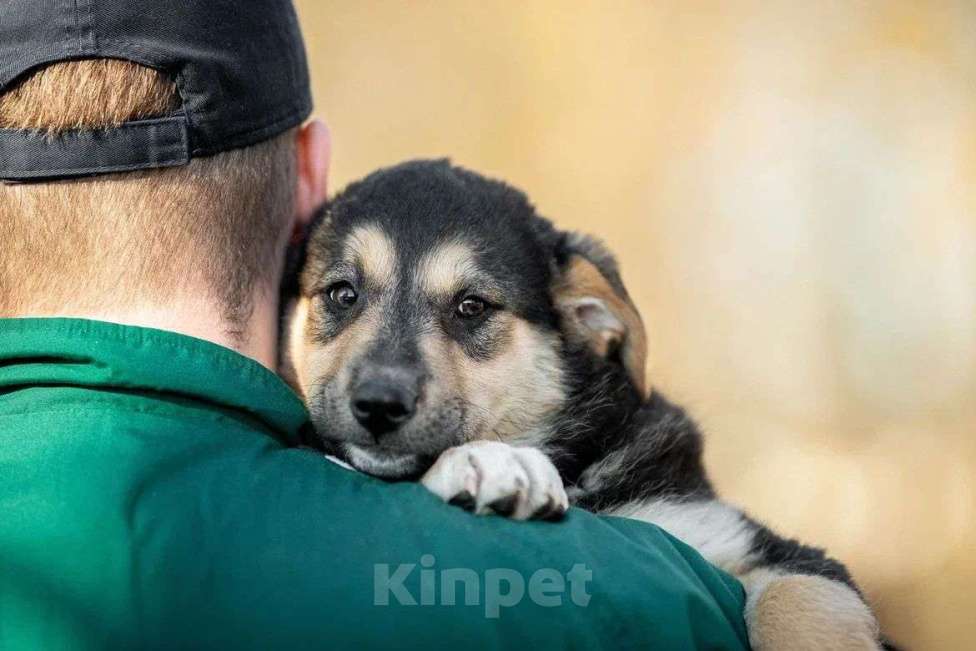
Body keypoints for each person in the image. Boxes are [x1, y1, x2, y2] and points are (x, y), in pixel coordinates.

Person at [0, 1, 748, 648]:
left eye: (469, 310)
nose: (387, 377)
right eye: (345, 295)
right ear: (309, 177)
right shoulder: (657, 599)